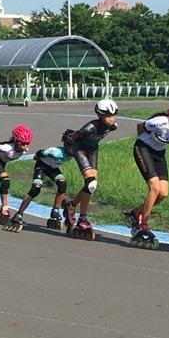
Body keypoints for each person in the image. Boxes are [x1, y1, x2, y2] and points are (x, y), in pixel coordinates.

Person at [125, 95, 169, 246]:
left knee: (163, 193)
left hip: (158, 153)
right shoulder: (158, 122)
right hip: (143, 148)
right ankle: (144, 225)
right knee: (154, 188)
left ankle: (136, 212)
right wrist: (145, 142)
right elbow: (140, 126)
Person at [62, 99, 119, 237]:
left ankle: (71, 205)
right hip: (80, 149)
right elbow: (72, 137)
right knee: (90, 181)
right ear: (99, 115)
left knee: (92, 185)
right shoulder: (90, 127)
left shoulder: (112, 126)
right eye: (108, 115)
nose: (111, 119)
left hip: (93, 150)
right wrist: (68, 148)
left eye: (113, 115)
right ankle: (83, 217)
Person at [4, 129, 75, 232]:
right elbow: (40, 153)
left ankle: (55, 210)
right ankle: (19, 213)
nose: (73, 150)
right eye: (71, 147)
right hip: (42, 166)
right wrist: (36, 157)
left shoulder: (75, 153)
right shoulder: (55, 152)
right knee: (35, 189)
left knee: (62, 184)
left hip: (52, 168)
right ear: (65, 145)